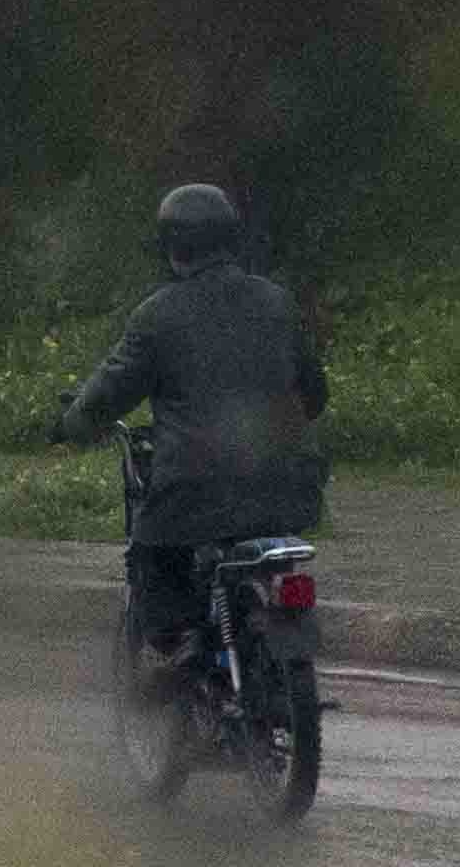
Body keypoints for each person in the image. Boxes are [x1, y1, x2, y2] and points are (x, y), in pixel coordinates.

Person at [52, 180, 329, 682]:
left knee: (151, 549)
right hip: (293, 488)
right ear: (230, 236)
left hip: (195, 492)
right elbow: (315, 395)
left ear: (171, 246)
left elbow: (107, 394)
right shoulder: (278, 303)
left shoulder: (158, 315)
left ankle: (174, 651)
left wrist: (71, 424)